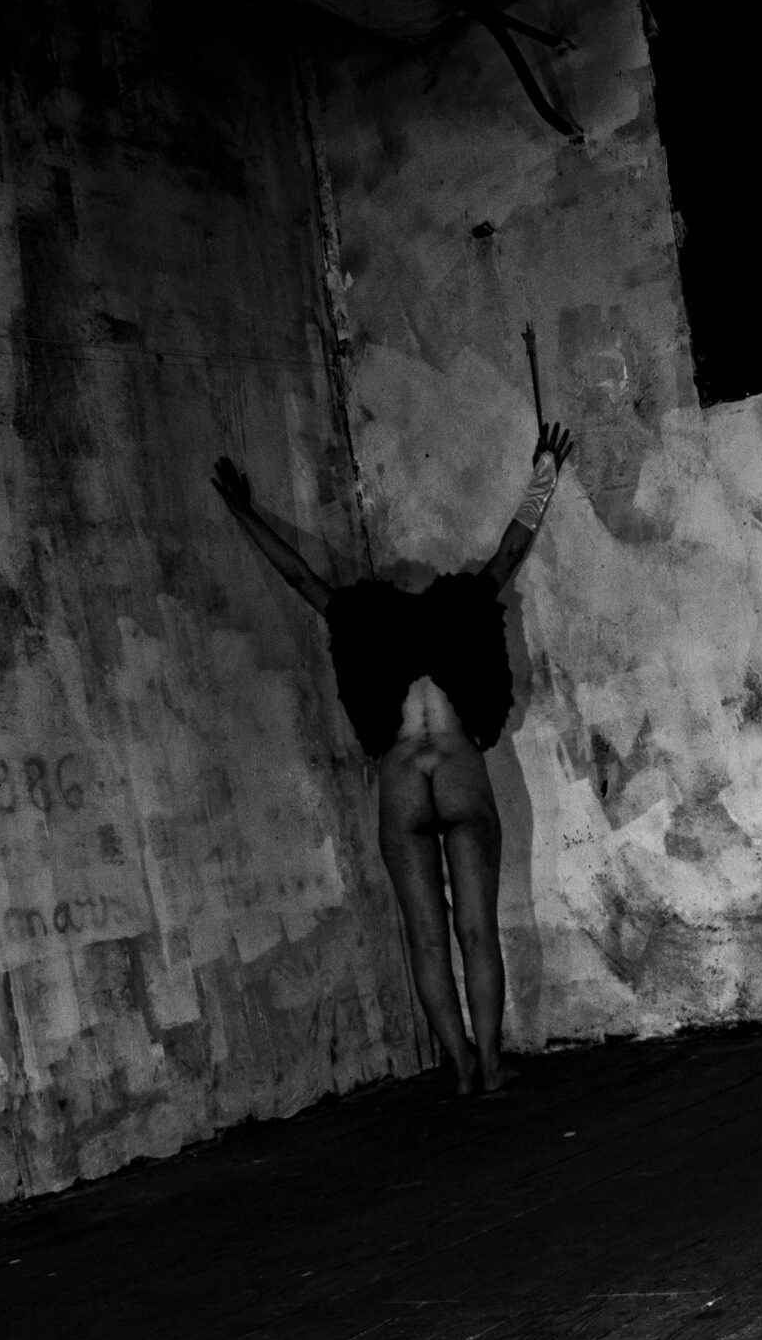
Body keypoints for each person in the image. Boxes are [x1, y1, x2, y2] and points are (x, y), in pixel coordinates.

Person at [211, 422, 574, 1096]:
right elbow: (513, 547)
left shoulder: (361, 623)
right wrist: (545, 470)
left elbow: (297, 574)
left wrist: (243, 512)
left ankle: (461, 1068)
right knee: (477, 930)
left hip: (402, 781)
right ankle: (490, 1066)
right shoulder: (464, 608)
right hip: (459, 770)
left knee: (426, 938)